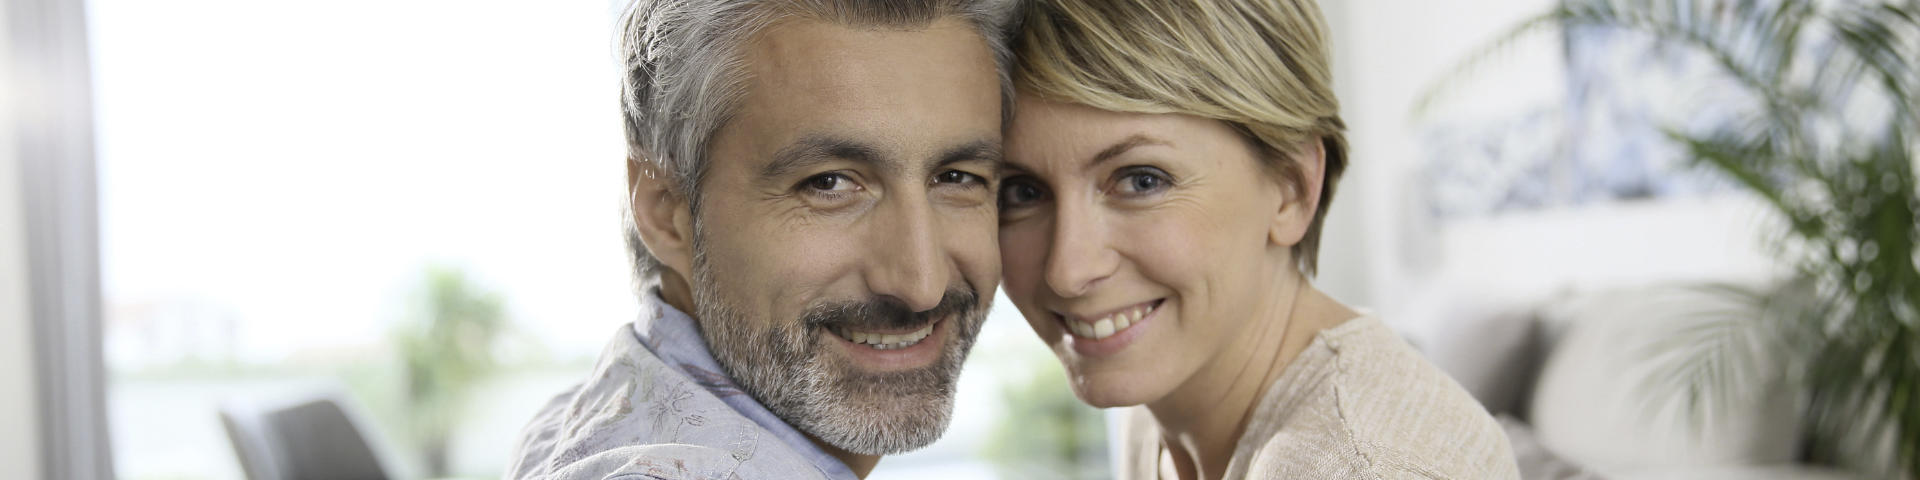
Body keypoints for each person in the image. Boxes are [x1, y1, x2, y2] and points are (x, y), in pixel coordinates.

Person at [994, 0, 1522, 478]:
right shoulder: (1163, 404)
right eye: (1020, 192)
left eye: (1142, 180)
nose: (1067, 268)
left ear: (1291, 188)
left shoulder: (1361, 465)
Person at [505, 1, 1014, 479]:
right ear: (665, 211)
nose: (922, 284)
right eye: (829, 183)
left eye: (956, 178)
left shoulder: (580, 416)